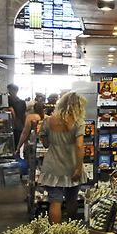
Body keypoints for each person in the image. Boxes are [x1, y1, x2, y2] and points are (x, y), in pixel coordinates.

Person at [39, 91, 86, 223]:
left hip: (53, 166)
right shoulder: (78, 122)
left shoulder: (48, 121)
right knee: (72, 200)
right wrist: (78, 168)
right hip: (71, 165)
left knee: (55, 201)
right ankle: (70, 230)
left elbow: (46, 143)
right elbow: (79, 146)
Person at [7, 84, 26, 148]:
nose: (9, 92)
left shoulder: (22, 102)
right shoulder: (5, 101)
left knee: (16, 145)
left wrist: (24, 127)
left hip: (17, 127)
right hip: (8, 127)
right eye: (9, 90)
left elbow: (23, 116)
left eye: (10, 90)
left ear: (16, 91)